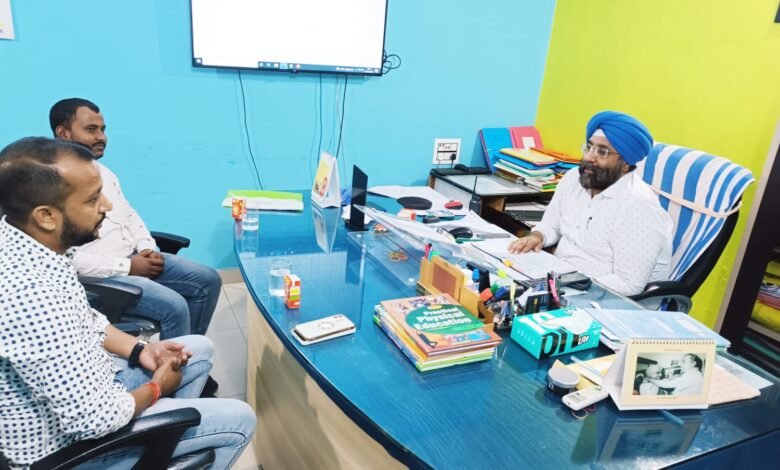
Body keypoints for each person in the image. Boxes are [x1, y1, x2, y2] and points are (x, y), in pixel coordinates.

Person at [0, 137, 256, 469]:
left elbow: (88, 320)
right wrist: (156, 388)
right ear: (46, 216)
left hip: (96, 386)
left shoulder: (30, 244)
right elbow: (95, 420)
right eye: (93, 199)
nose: (106, 205)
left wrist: (140, 350)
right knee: (239, 418)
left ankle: (162, 446)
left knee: (198, 349)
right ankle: (160, 441)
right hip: (64, 449)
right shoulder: (31, 295)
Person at [49, 98, 222, 394]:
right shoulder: (51, 183)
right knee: (175, 306)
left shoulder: (103, 172)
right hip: (101, 276)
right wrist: (129, 266)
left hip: (133, 257)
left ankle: (189, 363)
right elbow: (67, 259)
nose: (101, 137)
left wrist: (146, 248)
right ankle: (173, 386)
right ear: (63, 133)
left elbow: (129, 214)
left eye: (103, 129)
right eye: (91, 129)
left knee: (207, 280)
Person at [508, 111, 673, 296]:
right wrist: (537, 236)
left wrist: (565, 285)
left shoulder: (639, 208)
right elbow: (551, 225)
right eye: (589, 147)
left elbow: (629, 284)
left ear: (625, 164)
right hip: (562, 281)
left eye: (602, 151)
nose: (589, 157)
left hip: (607, 299)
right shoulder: (574, 179)